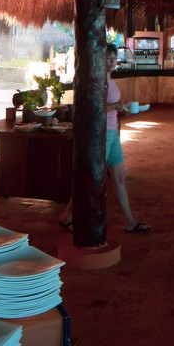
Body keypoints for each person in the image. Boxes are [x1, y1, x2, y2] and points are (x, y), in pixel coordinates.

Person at [58, 44, 151, 234]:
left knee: (119, 177)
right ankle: (68, 216)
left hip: (112, 133)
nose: (111, 61)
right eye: (108, 57)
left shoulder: (110, 80)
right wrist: (116, 107)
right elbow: (93, 109)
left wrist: (123, 109)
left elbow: (112, 106)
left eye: (113, 57)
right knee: (92, 178)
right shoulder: (98, 81)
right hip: (102, 134)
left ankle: (129, 221)